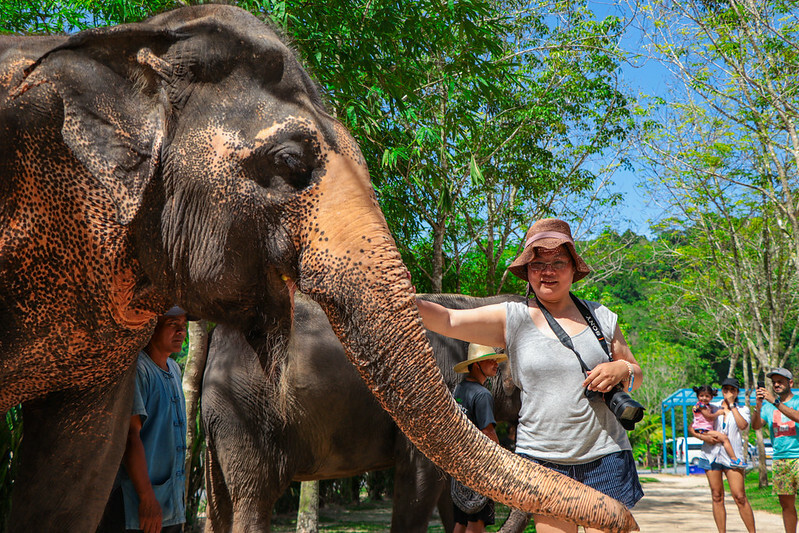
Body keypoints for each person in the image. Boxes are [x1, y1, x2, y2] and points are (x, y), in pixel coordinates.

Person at [416, 218, 644, 533]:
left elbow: (635, 372)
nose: (547, 271)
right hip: (543, 462)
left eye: (558, 262)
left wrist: (622, 368)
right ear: (527, 271)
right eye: (538, 264)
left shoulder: (601, 317)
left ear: (573, 269)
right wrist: (403, 297)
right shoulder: (514, 318)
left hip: (605, 455)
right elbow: (449, 320)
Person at [97, 306, 190, 533]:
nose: (181, 332)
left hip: (168, 505)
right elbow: (131, 437)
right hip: (138, 507)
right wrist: (147, 498)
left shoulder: (174, 369)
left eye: (183, 326)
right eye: (172, 325)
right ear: (151, 327)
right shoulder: (139, 369)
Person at [451, 343, 507, 533]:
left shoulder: (459, 389)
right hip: (479, 469)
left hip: (460, 467)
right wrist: (501, 461)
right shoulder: (482, 395)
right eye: (490, 360)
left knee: (461, 523)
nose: (496, 364)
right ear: (477, 365)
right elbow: (488, 432)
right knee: (476, 525)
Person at [690, 377, 755, 533]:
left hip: (733, 457)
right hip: (711, 455)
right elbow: (692, 426)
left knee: (740, 496)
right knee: (717, 495)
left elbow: (743, 426)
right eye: (725, 389)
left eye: (732, 390)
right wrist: (703, 437)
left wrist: (732, 405)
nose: (728, 392)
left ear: (737, 392)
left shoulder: (743, 409)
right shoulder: (711, 406)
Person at [752, 367, 799, 533]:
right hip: (780, 459)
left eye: (780, 381)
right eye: (774, 382)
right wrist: (758, 406)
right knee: (786, 505)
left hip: (798, 457)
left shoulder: (796, 401)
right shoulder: (767, 407)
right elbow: (756, 425)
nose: (776, 385)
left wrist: (776, 402)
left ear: (790, 383)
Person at [692, 385, 746, 467]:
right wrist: (718, 413)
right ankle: (734, 459)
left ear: (711, 397)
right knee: (724, 438)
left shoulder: (708, 406)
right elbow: (709, 417)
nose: (704, 398)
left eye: (707, 396)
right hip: (702, 429)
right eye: (701, 396)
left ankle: (732, 458)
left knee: (723, 439)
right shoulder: (701, 406)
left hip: (705, 429)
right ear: (697, 396)